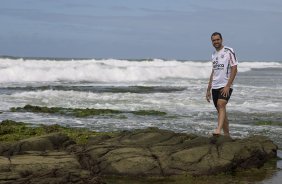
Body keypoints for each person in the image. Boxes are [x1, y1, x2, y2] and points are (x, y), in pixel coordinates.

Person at [206, 32, 238, 136]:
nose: (216, 42)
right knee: (221, 111)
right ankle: (227, 135)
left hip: (225, 85)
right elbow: (213, 71)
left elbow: (234, 68)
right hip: (215, 86)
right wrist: (208, 89)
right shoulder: (213, 55)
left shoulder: (229, 51)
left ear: (221, 40)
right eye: (214, 40)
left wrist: (228, 86)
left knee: (221, 105)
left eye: (217, 39)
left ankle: (218, 130)